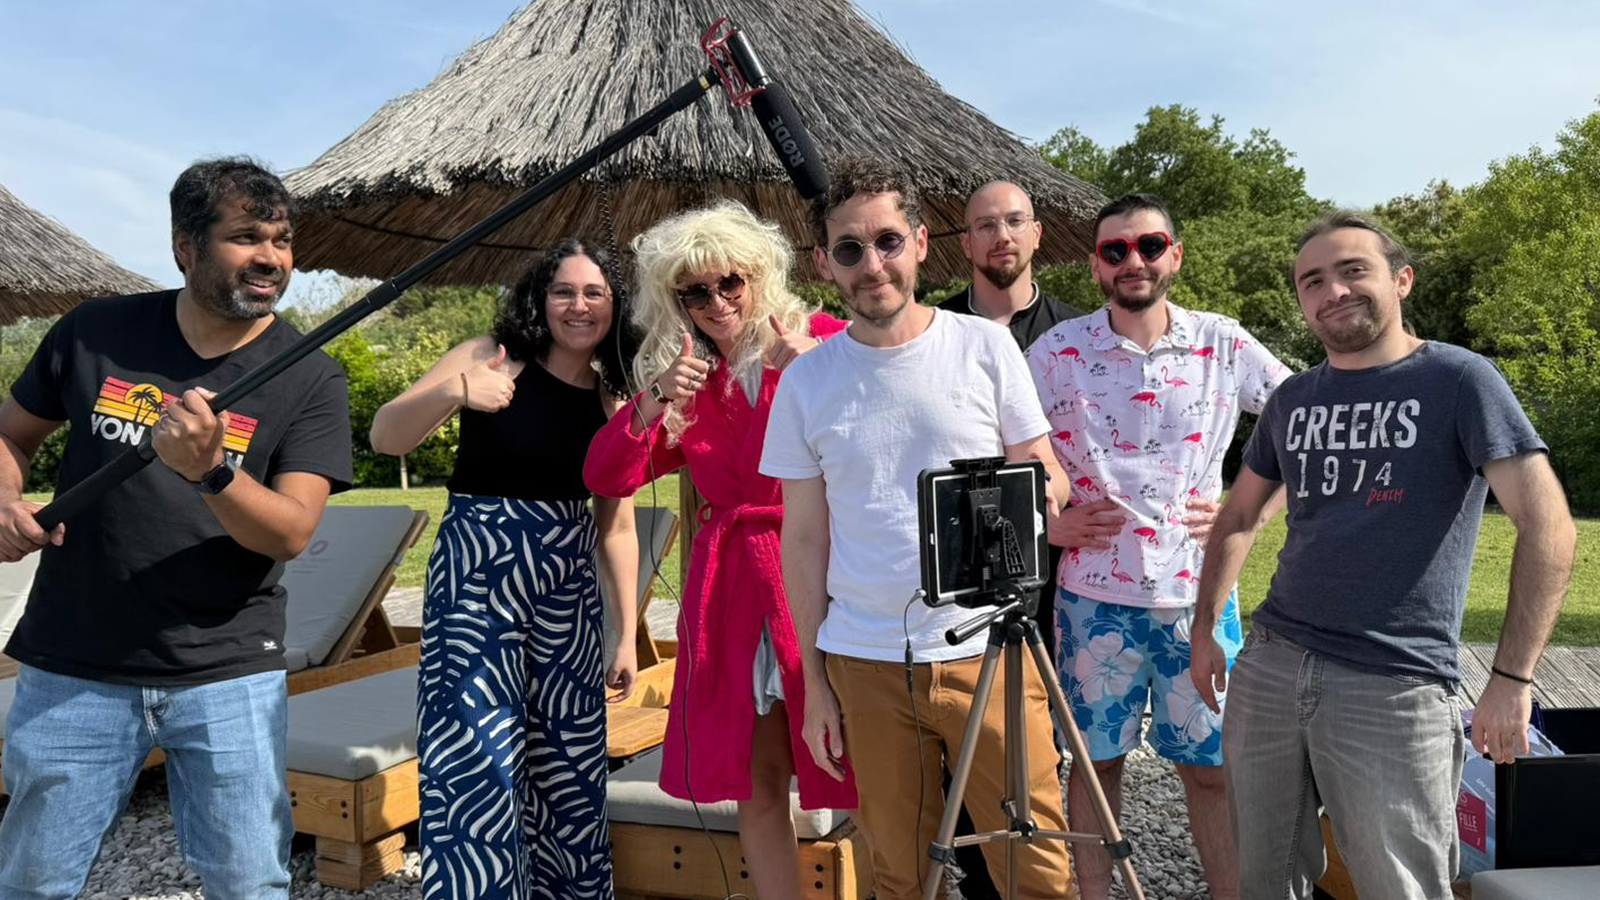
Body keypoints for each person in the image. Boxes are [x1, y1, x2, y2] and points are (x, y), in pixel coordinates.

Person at [1192, 211, 1577, 900]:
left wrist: (1512, 679)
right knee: (1262, 879)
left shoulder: (1459, 381)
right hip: (1272, 666)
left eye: (1352, 271)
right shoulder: (1293, 399)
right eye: (1313, 281)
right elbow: (1240, 515)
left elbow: (1547, 524)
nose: (1333, 291)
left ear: (1402, 280)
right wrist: (1204, 629)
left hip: (1395, 683)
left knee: (1401, 887)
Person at [0, 157, 353, 899]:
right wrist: (5, 500)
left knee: (248, 884)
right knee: (33, 881)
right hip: (73, 660)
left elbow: (290, 532)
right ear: (185, 247)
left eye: (282, 240)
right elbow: (11, 436)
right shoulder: (95, 332)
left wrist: (212, 471)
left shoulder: (309, 374)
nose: (272, 258)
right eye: (246, 237)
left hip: (228, 671)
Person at [761, 156, 1073, 900]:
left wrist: (1024, 500)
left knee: (1035, 870)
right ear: (824, 264)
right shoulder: (805, 382)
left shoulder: (984, 345)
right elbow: (802, 541)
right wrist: (814, 685)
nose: (872, 265)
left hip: (990, 650)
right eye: (850, 249)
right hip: (865, 661)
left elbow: (1047, 473)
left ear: (923, 243)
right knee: (899, 877)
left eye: (888, 241)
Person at [584, 200, 855, 900]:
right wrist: (653, 399)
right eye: (694, 292)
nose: (716, 302)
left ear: (759, 275)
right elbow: (605, 475)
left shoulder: (821, 339)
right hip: (734, 594)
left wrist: (826, 371)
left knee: (862, 765)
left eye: (729, 281)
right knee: (757, 782)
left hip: (821, 575)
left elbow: (889, 428)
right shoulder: (687, 380)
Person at [1025, 193, 1290, 900]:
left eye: (1148, 245)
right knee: (1095, 767)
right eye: (1114, 250)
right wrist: (1045, 525)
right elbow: (993, 441)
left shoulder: (1223, 342)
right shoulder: (1054, 352)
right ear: (1095, 266)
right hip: (1092, 601)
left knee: (1212, 770)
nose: (1132, 261)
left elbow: (1305, 422)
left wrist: (1251, 512)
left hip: (1200, 597)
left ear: (1175, 254)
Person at [369, 239, 639, 900]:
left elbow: (617, 524)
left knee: (570, 758)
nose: (579, 306)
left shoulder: (611, 395)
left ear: (615, 305)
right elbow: (385, 434)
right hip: (477, 578)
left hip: (565, 587)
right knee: (473, 751)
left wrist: (627, 633)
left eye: (595, 293)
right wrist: (458, 390)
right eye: (563, 291)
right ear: (539, 299)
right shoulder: (489, 355)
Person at [937, 179, 1086, 900]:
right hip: (960, 574)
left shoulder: (1078, 336)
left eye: (1014, 221)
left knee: (1040, 741)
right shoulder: (931, 330)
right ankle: (979, 884)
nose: (1001, 235)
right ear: (964, 241)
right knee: (962, 744)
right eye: (985, 224)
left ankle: (1036, 878)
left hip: (1055, 572)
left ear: (1036, 234)